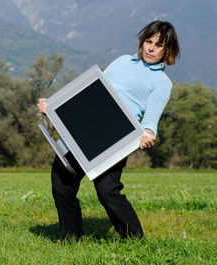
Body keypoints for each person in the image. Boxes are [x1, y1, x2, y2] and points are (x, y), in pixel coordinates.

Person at [37, 21, 180, 239]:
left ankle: (135, 239)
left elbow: (151, 119)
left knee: (107, 191)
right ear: (142, 42)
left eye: (158, 45)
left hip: (115, 139)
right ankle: (71, 239)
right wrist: (54, 105)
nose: (151, 48)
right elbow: (91, 91)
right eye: (148, 42)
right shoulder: (123, 60)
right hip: (84, 129)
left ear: (167, 50)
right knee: (62, 182)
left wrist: (147, 134)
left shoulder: (161, 82)